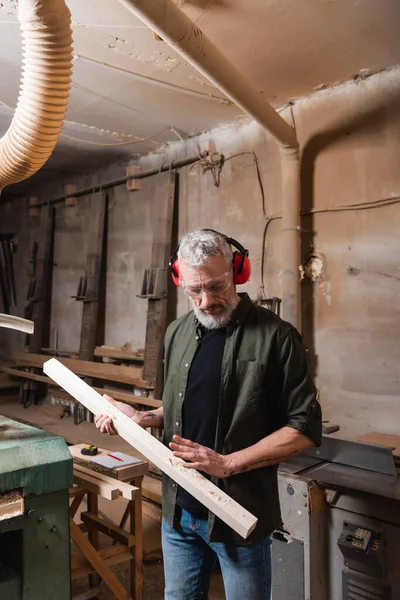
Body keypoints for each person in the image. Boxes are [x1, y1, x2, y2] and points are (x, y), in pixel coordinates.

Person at [95, 228, 322, 600]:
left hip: (238, 513)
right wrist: (141, 417)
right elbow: (183, 405)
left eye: (215, 287)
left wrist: (228, 463)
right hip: (179, 512)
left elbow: (304, 427)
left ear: (237, 271)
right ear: (179, 279)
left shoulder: (276, 337)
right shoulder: (177, 332)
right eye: (193, 290)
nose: (205, 301)